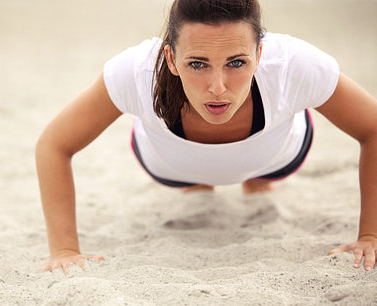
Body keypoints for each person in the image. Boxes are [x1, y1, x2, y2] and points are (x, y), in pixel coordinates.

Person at [36, 0, 377, 275]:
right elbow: (54, 145)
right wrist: (65, 250)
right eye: (198, 64)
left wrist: (370, 235)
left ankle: (256, 179)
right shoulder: (135, 72)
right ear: (170, 58)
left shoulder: (293, 65)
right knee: (196, 185)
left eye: (237, 63)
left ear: (260, 55)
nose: (218, 87)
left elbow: (372, 128)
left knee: (260, 180)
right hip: (172, 166)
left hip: (276, 157)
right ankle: (201, 181)